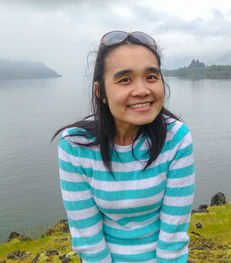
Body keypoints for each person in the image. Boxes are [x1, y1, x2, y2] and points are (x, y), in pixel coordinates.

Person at [53, 31, 195, 262]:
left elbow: (174, 231)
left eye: (151, 76)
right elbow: (88, 237)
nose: (142, 90)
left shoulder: (176, 138)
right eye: (125, 79)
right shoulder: (74, 146)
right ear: (101, 93)